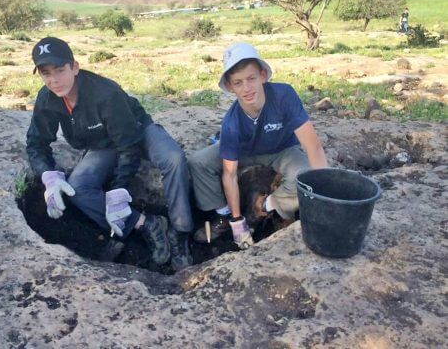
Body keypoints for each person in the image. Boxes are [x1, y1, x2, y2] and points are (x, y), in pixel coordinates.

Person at [26, 37, 193, 271]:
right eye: (46, 73)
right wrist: (48, 176)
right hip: (102, 144)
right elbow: (36, 143)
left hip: (137, 131)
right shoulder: (47, 99)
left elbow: (129, 146)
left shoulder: (105, 94)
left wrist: (117, 191)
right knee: (77, 188)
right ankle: (144, 224)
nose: (54, 80)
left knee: (173, 159)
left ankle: (180, 233)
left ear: (74, 67)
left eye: (60, 70)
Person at [189, 42, 327, 249]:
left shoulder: (284, 96)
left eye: (251, 78)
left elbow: (313, 146)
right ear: (230, 86)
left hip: (282, 150)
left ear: (262, 75)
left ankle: (263, 207)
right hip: (243, 153)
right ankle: (223, 216)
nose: (246, 88)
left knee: (304, 177)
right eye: (238, 83)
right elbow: (230, 174)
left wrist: (325, 191)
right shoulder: (232, 123)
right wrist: (237, 222)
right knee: (198, 162)